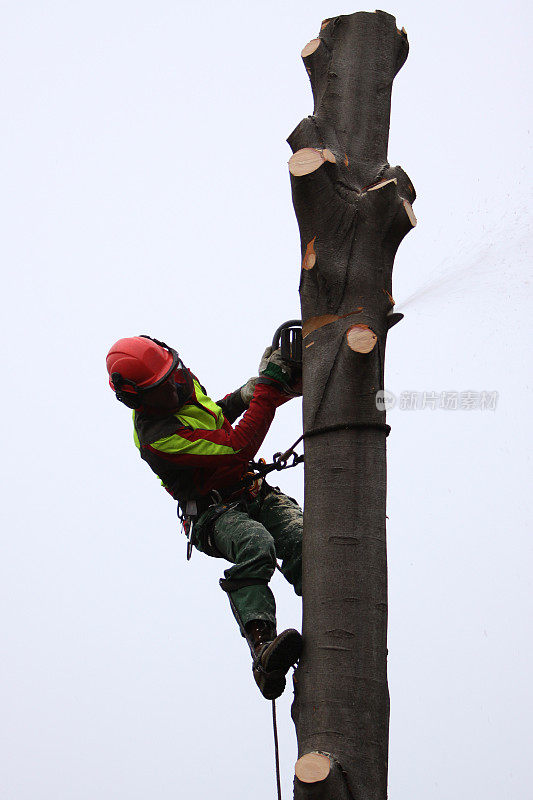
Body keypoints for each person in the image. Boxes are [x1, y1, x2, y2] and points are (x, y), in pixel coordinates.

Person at [106, 334, 303, 699]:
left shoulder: (177, 380)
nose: (176, 387)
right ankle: (263, 650)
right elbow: (236, 447)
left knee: (304, 539)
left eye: (174, 376)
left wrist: (248, 394)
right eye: (163, 388)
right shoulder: (156, 437)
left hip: (250, 489)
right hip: (212, 513)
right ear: (140, 399)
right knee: (254, 543)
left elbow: (211, 418)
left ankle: (336, 614)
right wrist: (268, 392)